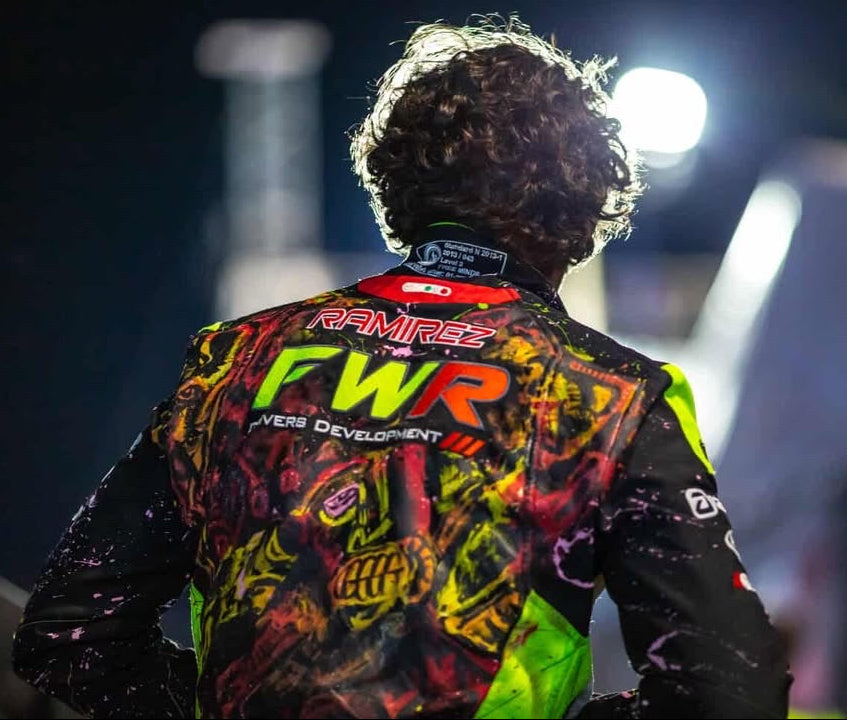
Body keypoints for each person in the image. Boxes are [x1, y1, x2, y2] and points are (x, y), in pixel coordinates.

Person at [13, 15, 790, 719]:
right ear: (584, 213)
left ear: (395, 186)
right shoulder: (608, 394)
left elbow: (71, 634)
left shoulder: (236, 359)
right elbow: (729, 690)